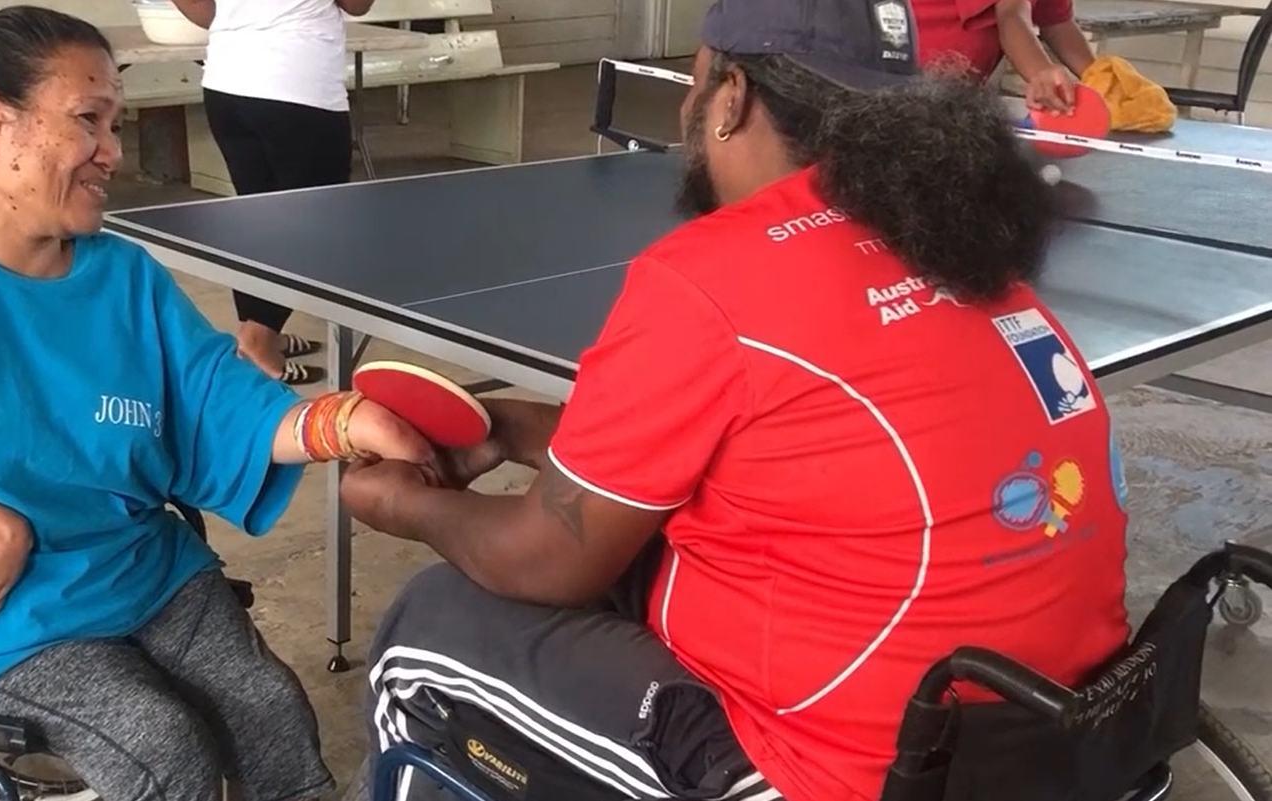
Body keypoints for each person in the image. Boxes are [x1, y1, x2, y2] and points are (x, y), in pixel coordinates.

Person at [336, 0, 1131, 799]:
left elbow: (547, 559)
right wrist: (507, 426)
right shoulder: (959, 246)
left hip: (846, 770)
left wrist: (405, 505)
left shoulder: (707, 279)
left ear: (732, 96)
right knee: (642, 553)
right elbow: (765, 454)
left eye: (696, 78)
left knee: (428, 627)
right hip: (1059, 736)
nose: (686, 106)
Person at [0, 8, 436, 801]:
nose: (112, 153)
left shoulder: (122, 273)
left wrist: (345, 419)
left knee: (270, 707)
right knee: (162, 750)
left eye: (115, 124)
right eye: (88, 121)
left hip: (128, 565)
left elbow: (215, 399)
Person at [169, 0, 376, 385]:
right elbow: (358, 4)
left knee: (257, 218)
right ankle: (259, 338)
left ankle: (260, 328)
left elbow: (203, 11)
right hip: (297, 89)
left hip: (227, 86)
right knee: (310, 223)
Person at [913, 0, 1098, 114]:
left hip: (954, 99)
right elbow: (1011, 14)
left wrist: (1101, 78)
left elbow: (1057, 22)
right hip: (904, 84)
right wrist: (1040, 71)